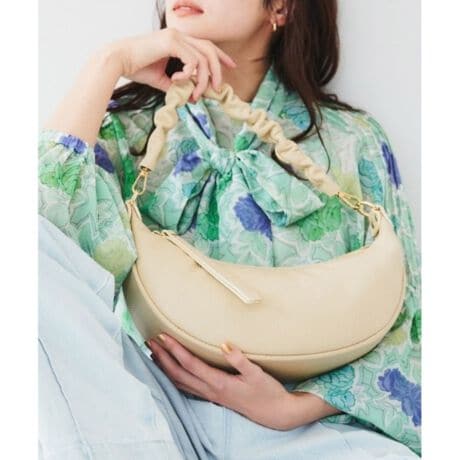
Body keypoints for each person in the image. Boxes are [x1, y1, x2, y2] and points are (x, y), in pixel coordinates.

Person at [38, 0, 421, 458]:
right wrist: (107, 64)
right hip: (154, 418)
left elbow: (407, 322)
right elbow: (43, 252)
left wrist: (292, 408)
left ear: (280, 7)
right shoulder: (124, 132)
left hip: (303, 435)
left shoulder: (350, 141)